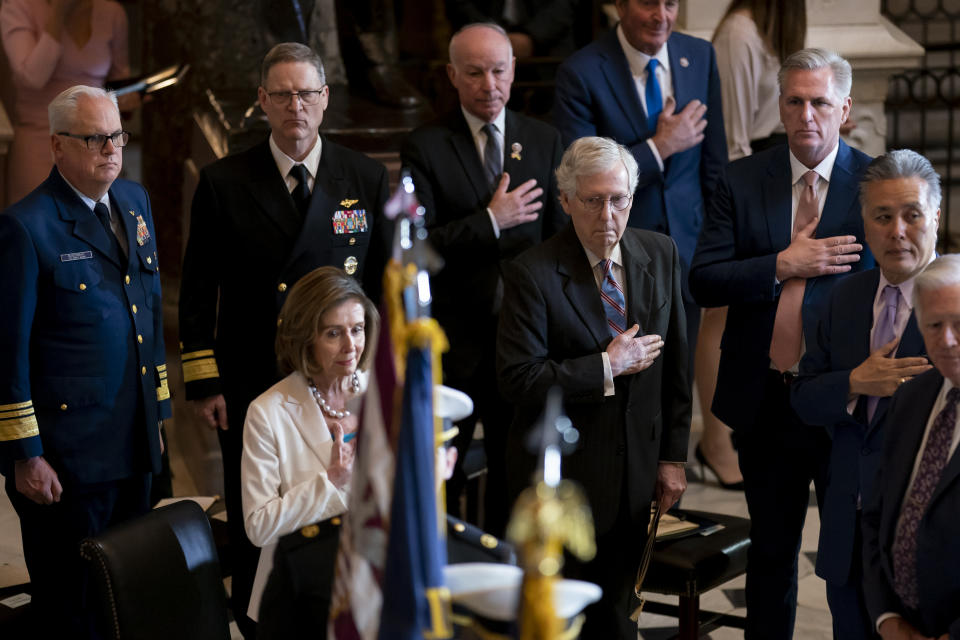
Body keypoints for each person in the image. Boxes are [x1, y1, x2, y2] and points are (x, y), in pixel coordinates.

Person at [177, 41, 388, 637]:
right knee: (260, 517)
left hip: (341, 373)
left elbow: (381, 287)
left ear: (326, 100)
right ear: (262, 102)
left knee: (343, 501)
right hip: (253, 373)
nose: (296, 105)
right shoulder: (224, 182)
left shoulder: (365, 177)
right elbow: (197, 293)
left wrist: (377, 369)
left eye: (308, 93)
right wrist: (204, 381)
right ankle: (259, 615)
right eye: (283, 94)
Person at [689, 48, 874, 639]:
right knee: (772, 556)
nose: (806, 116)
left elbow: (893, 288)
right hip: (764, 398)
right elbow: (704, 278)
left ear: (844, 109)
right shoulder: (742, 179)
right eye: (794, 102)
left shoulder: (874, 184)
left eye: (820, 102)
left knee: (849, 561)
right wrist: (781, 264)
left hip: (845, 404)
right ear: (781, 106)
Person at [497, 136, 690, 639]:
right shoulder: (531, 273)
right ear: (566, 201)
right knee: (568, 623)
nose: (608, 214)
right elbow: (518, 378)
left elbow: (677, 367)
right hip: (567, 486)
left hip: (639, 474)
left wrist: (672, 457)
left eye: (619, 199)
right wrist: (605, 365)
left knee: (623, 618)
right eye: (594, 200)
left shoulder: (660, 252)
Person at [0, 85, 169, 639]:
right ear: (57, 147)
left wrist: (160, 415)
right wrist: (25, 455)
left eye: (116, 135)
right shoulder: (27, 227)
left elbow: (148, 312)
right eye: (94, 138)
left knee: (131, 594)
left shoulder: (136, 201)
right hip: (69, 460)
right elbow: (8, 353)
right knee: (74, 607)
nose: (111, 149)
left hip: (133, 442)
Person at [401, 22, 565, 538]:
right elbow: (418, 246)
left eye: (498, 71)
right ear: (452, 75)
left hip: (523, 342)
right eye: (474, 73)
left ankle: (506, 593)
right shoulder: (425, 146)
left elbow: (558, 244)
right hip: (455, 344)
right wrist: (492, 221)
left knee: (516, 479)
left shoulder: (544, 139)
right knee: (438, 481)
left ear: (513, 71)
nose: (488, 85)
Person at [791, 149, 939, 639]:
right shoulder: (844, 297)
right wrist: (854, 382)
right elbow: (804, 398)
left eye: (912, 215)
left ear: (937, 217)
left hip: (928, 544)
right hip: (848, 533)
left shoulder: (956, 302)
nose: (897, 230)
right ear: (866, 224)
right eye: (882, 216)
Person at [554, 0, 727, 358]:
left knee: (682, 377)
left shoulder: (700, 55)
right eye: (648, 3)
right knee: (629, 382)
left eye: (670, 4)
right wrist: (658, 147)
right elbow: (581, 175)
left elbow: (714, 165)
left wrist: (719, 244)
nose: (661, 16)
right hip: (616, 252)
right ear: (619, 5)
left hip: (687, 250)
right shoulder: (581, 71)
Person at [691, 0, 807, 491]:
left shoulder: (777, 29)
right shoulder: (739, 32)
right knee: (721, 314)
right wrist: (745, 206)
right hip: (746, 182)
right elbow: (732, 135)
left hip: (780, 169)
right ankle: (714, 440)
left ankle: (753, 428)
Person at [240, 266, 376, 638]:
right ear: (306, 338)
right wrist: (330, 482)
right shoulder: (267, 412)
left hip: (371, 584)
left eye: (357, 329)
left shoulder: (379, 395)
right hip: (299, 594)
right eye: (334, 333)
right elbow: (259, 526)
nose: (351, 346)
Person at [862, 254, 960, 640]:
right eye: (935, 325)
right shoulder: (913, 396)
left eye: (959, 322)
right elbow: (876, 515)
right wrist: (887, 617)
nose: (948, 339)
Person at [1, 0, 136, 207]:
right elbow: (32, 78)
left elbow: (119, 81)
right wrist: (58, 15)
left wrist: (128, 100)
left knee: (98, 227)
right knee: (36, 229)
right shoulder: (19, 7)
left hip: (98, 144)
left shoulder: (112, 12)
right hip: (40, 142)